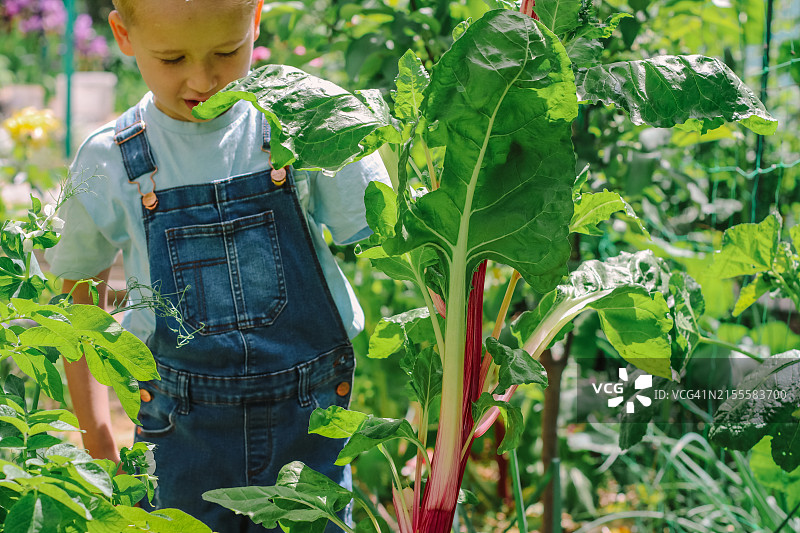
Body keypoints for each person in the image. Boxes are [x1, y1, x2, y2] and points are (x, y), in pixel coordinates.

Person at [44, 0, 390, 531]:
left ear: (255, 21)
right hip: (180, 442)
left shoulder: (303, 122)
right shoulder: (110, 159)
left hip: (310, 435)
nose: (203, 79)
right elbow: (76, 296)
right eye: (172, 58)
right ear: (123, 34)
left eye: (227, 52)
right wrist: (95, 434)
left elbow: (388, 237)